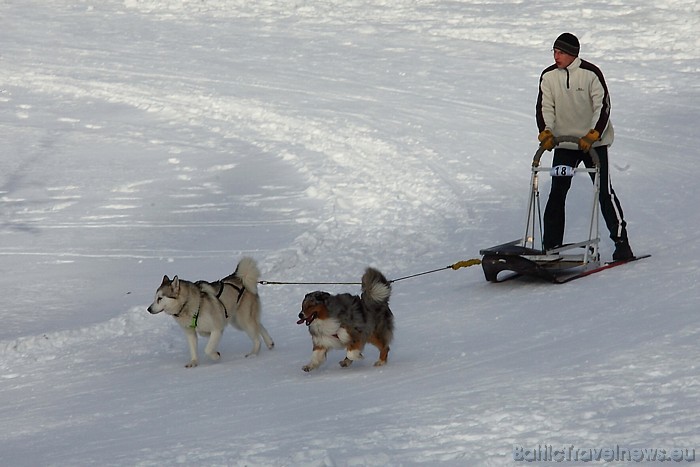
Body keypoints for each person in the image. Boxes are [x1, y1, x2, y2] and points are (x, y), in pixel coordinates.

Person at [535, 32, 634, 261]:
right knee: (557, 192)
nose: (555, 56)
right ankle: (550, 247)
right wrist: (546, 132)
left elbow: (603, 106)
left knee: (604, 193)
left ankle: (622, 243)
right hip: (564, 144)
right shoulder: (548, 76)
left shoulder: (591, 74)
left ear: (572, 54)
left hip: (594, 144)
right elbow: (544, 106)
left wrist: (593, 134)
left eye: (560, 52)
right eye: (554, 51)